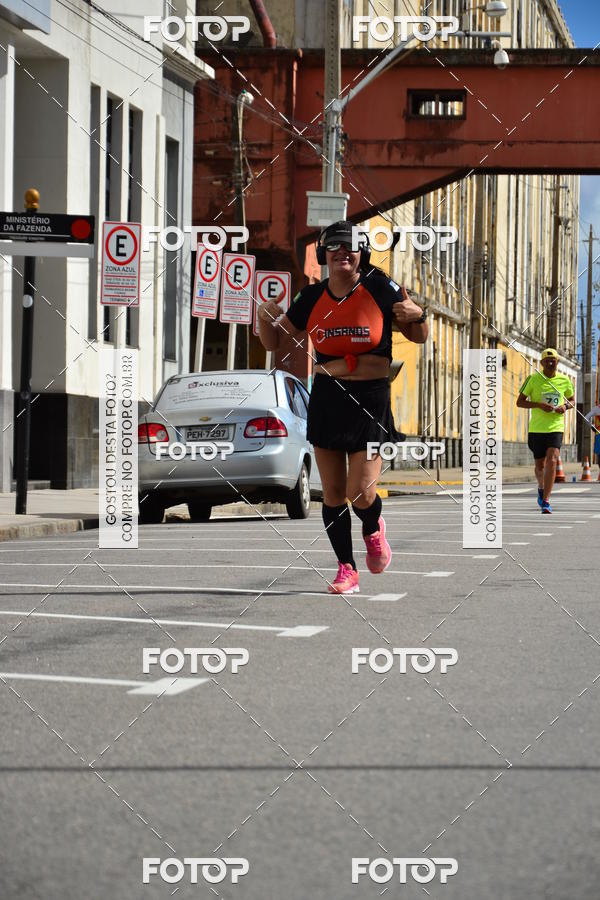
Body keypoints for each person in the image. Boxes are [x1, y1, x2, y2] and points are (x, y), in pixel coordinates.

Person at [257, 220, 428, 594]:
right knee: (333, 493)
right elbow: (275, 341)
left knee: (361, 492)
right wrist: (264, 318)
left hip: (371, 399)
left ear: (361, 253)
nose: (342, 253)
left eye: (350, 247)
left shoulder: (380, 285)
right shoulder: (311, 296)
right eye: (334, 247)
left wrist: (420, 316)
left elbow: (417, 334)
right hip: (328, 398)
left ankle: (373, 527)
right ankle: (346, 568)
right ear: (324, 255)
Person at [516, 348, 575, 514]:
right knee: (540, 466)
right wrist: (539, 405)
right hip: (537, 429)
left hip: (555, 427)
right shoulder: (533, 379)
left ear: (557, 363)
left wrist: (564, 406)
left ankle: (547, 501)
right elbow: (519, 402)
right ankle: (541, 488)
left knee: (552, 459)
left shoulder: (564, 381)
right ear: (541, 363)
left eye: (553, 360)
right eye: (547, 361)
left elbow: (572, 400)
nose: (550, 363)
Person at [584, 403, 600, 474]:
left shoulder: (596, 408)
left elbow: (586, 418)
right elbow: (586, 418)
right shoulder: (596, 409)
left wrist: (591, 426)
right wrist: (592, 426)